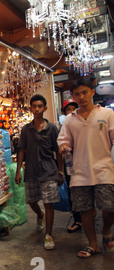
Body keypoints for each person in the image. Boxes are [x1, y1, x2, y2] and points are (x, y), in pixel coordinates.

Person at [57, 77, 114, 258]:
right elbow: (63, 141)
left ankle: (105, 230)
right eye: (77, 94)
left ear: (92, 92)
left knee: (110, 207)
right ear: (73, 96)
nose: (81, 97)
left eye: (84, 92)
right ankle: (93, 244)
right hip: (79, 172)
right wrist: (64, 147)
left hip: (104, 169)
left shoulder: (107, 114)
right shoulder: (69, 119)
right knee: (85, 210)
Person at [16, 94, 63, 250]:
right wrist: (18, 171)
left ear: (45, 108)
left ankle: (48, 235)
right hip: (31, 171)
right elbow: (21, 149)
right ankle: (40, 215)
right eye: (34, 106)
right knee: (32, 201)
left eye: (40, 106)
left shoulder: (52, 129)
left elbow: (58, 151)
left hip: (49, 171)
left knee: (49, 203)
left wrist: (61, 171)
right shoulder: (26, 129)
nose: (37, 109)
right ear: (30, 108)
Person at [60, 99, 82, 233]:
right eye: (69, 109)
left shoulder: (82, 124)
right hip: (70, 163)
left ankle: (88, 213)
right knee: (72, 191)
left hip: (84, 162)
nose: (71, 111)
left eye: (74, 108)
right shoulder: (63, 127)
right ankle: (77, 219)